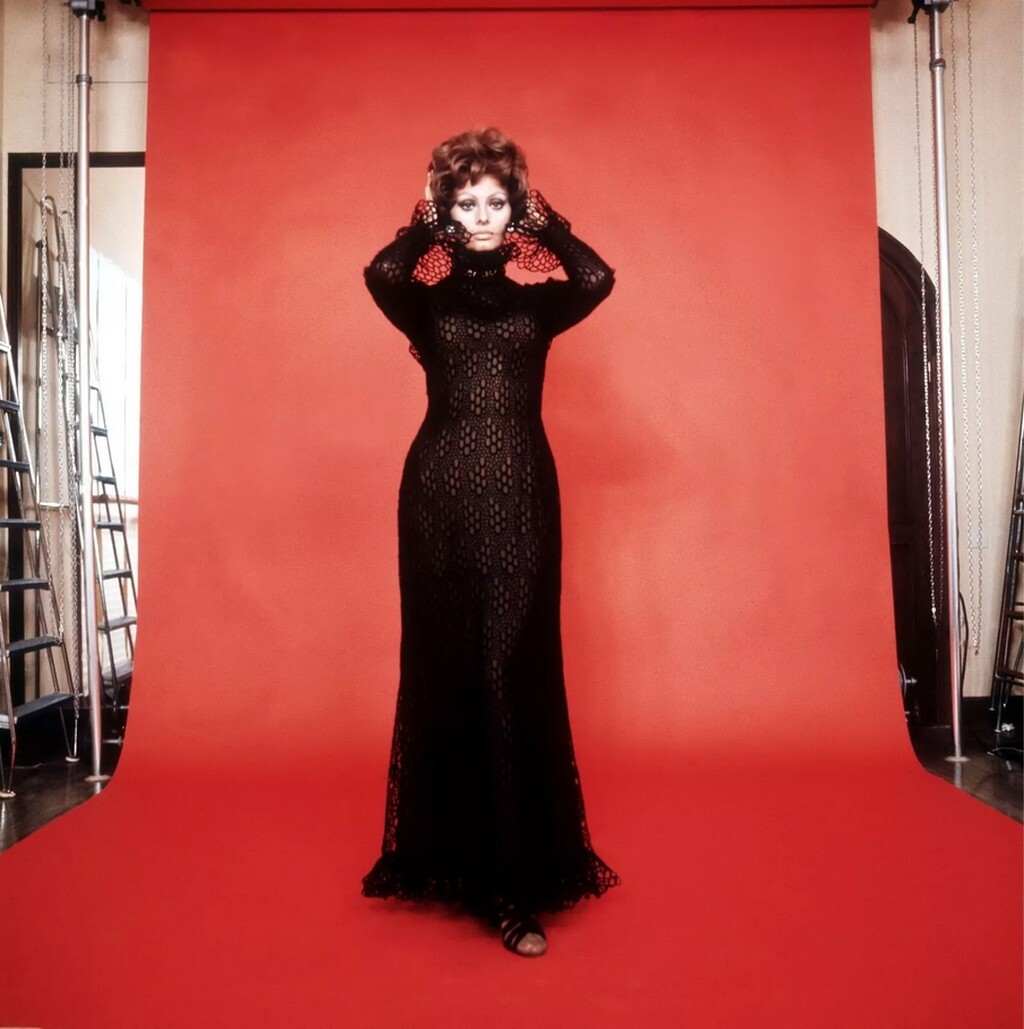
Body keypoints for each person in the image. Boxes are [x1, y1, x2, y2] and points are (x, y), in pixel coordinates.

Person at [361, 127, 619, 957]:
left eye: (495, 201)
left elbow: (597, 276)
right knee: (451, 665)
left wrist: (540, 219)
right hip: (437, 498)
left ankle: (511, 882)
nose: (480, 215)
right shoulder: (425, 301)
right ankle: (454, 859)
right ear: (447, 209)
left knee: (509, 668)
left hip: (521, 500)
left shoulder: (537, 303)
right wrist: (431, 217)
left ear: (515, 209)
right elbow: (381, 271)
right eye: (466, 201)